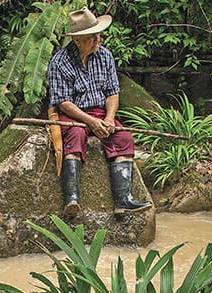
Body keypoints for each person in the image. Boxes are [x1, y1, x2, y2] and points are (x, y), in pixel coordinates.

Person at [48, 6, 152, 217]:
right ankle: (72, 200)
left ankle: (123, 201)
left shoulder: (105, 57)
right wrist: (89, 122)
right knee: (76, 136)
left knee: (123, 138)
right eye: (92, 37)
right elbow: (63, 102)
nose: (99, 40)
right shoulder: (59, 62)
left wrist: (109, 119)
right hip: (74, 115)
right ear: (77, 40)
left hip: (101, 112)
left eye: (98, 35)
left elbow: (112, 92)